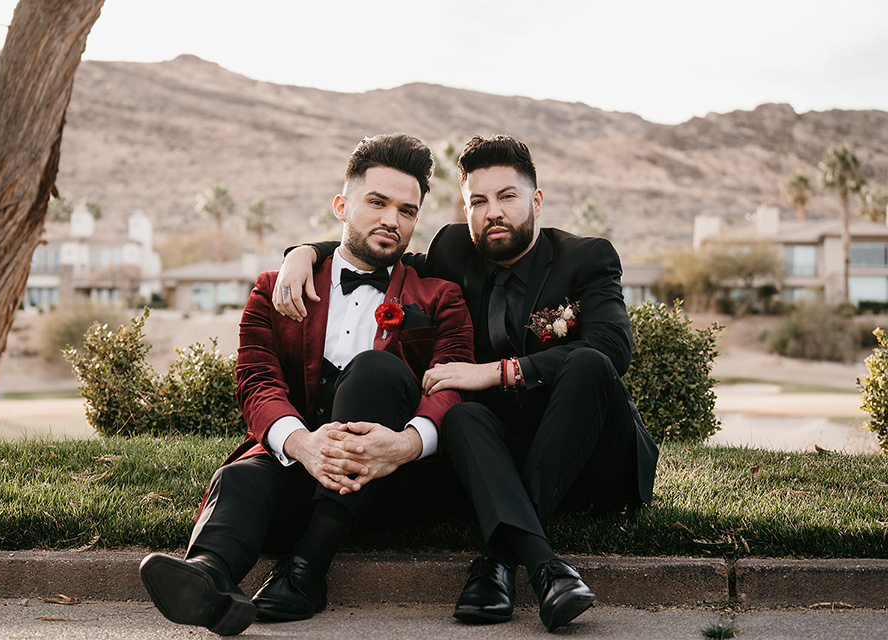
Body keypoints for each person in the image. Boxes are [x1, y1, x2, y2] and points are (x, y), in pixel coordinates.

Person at [274, 134, 659, 632]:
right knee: (459, 412)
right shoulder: (455, 250)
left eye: (507, 197)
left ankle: (497, 559)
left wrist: (498, 371)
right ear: (465, 207)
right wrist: (302, 252)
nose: (492, 211)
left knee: (586, 364)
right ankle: (545, 570)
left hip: (591, 458)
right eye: (478, 201)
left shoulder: (585, 258)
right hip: (493, 454)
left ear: (535, 201)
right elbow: (378, 253)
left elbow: (612, 350)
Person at [139, 133, 474, 636]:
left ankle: (306, 570)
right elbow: (256, 381)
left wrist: (406, 445)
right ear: (342, 205)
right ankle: (210, 578)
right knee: (244, 476)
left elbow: (453, 384)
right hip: (299, 466)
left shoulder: (440, 296)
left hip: (391, 483)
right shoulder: (274, 289)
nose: (391, 220)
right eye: (377, 202)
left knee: (377, 371)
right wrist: (301, 445)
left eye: (406, 210)